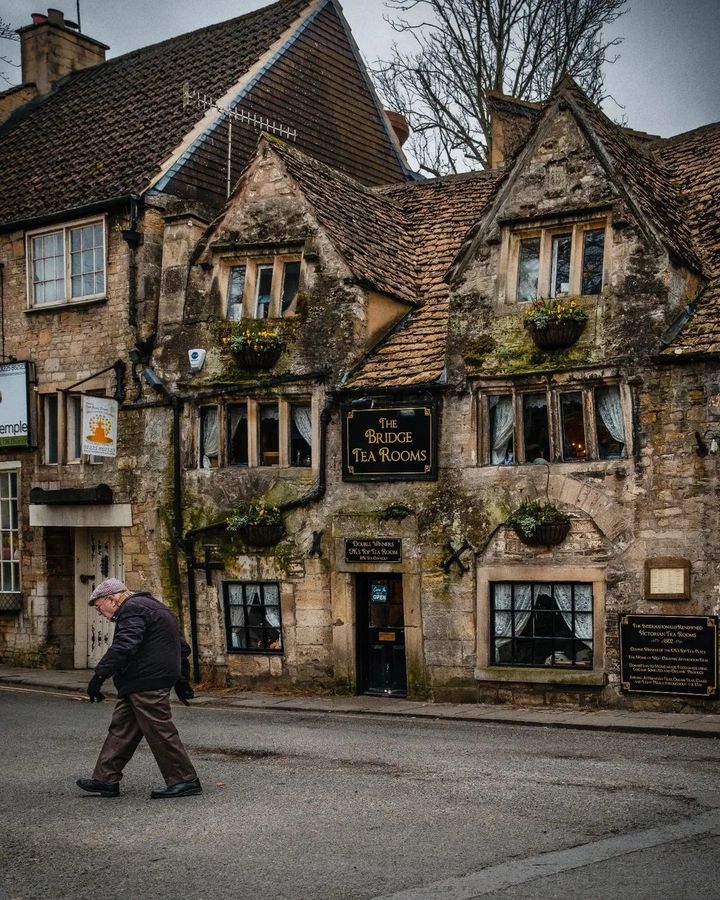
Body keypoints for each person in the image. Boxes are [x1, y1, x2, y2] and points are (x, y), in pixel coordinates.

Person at [76, 578, 202, 799]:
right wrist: (182, 681)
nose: (99, 612)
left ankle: (184, 780)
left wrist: (99, 676)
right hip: (138, 682)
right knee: (121, 730)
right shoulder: (155, 606)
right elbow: (180, 647)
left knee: (159, 730)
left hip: (147, 682)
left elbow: (125, 644)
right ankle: (105, 779)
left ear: (112, 598)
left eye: (98, 607)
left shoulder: (132, 609)